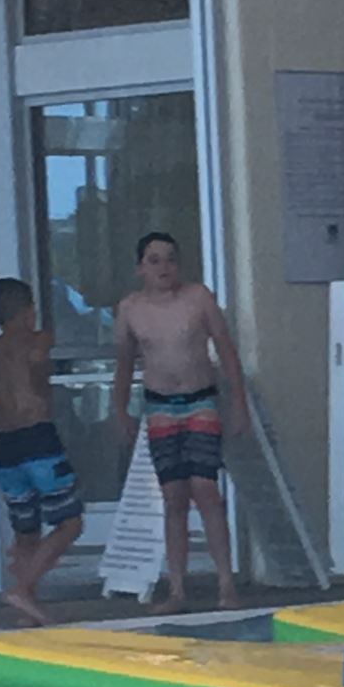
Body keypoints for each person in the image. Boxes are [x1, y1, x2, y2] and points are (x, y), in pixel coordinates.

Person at [109, 231, 247, 613]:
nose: (163, 267)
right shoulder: (131, 309)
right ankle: (177, 589)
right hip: (159, 407)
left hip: (200, 399)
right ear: (140, 268)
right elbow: (124, 363)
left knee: (206, 488)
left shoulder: (197, 298)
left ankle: (225, 584)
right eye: (154, 260)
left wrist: (239, 401)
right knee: (173, 497)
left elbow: (226, 349)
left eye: (170, 259)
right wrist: (119, 408)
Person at [0, 279, 83, 626]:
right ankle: (22, 589)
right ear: (29, 311)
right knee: (70, 523)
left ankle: (27, 606)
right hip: (38, 437)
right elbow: (40, 356)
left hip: (5, 443)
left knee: (27, 529)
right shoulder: (37, 339)